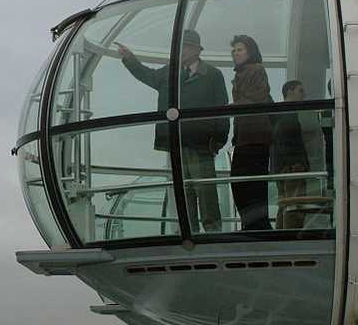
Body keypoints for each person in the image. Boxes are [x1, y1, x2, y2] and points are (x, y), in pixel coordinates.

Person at [115, 29, 229, 233]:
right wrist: (130, 60)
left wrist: (218, 140)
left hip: (202, 144)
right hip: (176, 143)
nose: (180, 51)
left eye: (184, 47)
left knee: (205, 191)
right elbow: (146, 74)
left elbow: (222, 109)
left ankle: (213, 234)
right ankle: (189, 232)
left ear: (195, 50)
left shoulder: (213, 74)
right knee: (183, 192)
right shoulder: (169, 72)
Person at [229, 34, 273, 231]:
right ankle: (253, 224)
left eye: (239, 49)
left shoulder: (256, 70)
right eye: (234, 49)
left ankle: (257, 226)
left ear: (250, 51)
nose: (235, 53)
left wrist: (234, 106)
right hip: (245, 138)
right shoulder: (241, 74)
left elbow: (259, 96)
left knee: (249, 183)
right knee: (243, 182)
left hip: (255, 137)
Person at [272, 80, 310, 229]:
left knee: (284, 205)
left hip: (281, 166)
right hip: (292, 167)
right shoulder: (289, 114)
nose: (304, 95)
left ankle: (280, 237)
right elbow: (289, 141)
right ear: (290, 91)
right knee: (294, 206)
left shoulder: (278, 113)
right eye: (300, 91)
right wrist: (297, 163)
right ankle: (291, 237)